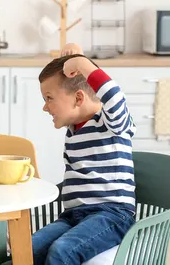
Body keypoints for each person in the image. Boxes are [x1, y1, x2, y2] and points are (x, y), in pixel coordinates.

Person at [33, 43, 136, 264]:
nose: (45, 107)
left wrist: (82, 63)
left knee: (62, 251)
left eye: (49, 98)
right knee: (27, 248)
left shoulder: (112, 123)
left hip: (112, 215)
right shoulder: (73, 128)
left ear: (79, 99)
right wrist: (75, 58)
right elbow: (72, 84)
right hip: (73, 216)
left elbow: (112, 95)